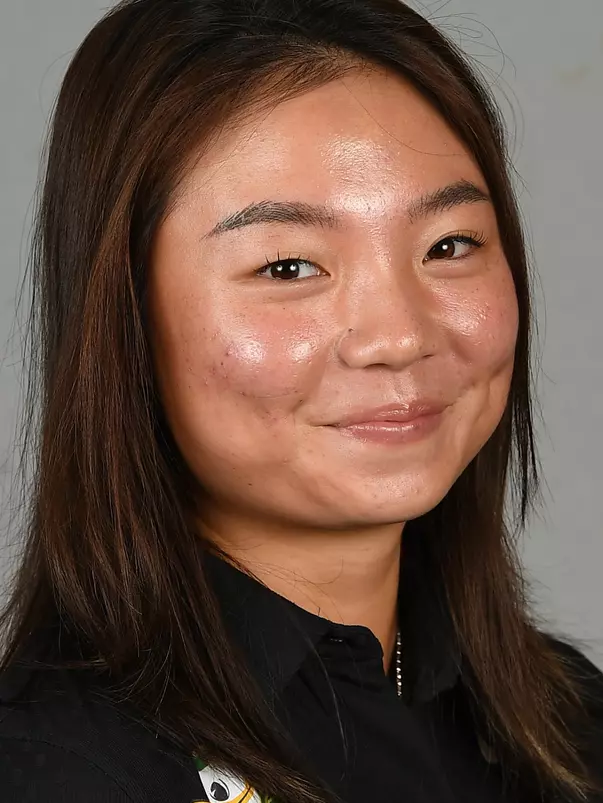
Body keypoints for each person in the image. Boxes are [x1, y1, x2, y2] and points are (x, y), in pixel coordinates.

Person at [0, 0, 601, 801]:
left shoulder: (568, 719)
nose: (398, 335)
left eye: (448, 245)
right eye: (288, 267)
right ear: (125, 319)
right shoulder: (59, 767)